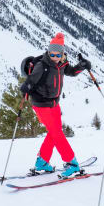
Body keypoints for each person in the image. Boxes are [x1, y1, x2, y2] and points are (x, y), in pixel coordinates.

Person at [19, 33, 91, 179]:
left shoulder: (62, 64)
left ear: (62, 53)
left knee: (54, 132)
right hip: (41, 104)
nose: (54, 56)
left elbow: (71, 72)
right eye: (51, 53)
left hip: (54, 103)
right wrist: (26, 86)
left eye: (57, 54)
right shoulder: (42, 65)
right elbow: (32, 79)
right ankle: (72, 163)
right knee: (57, 134)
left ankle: (42, 162)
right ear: (48, 51)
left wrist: (81, 67)